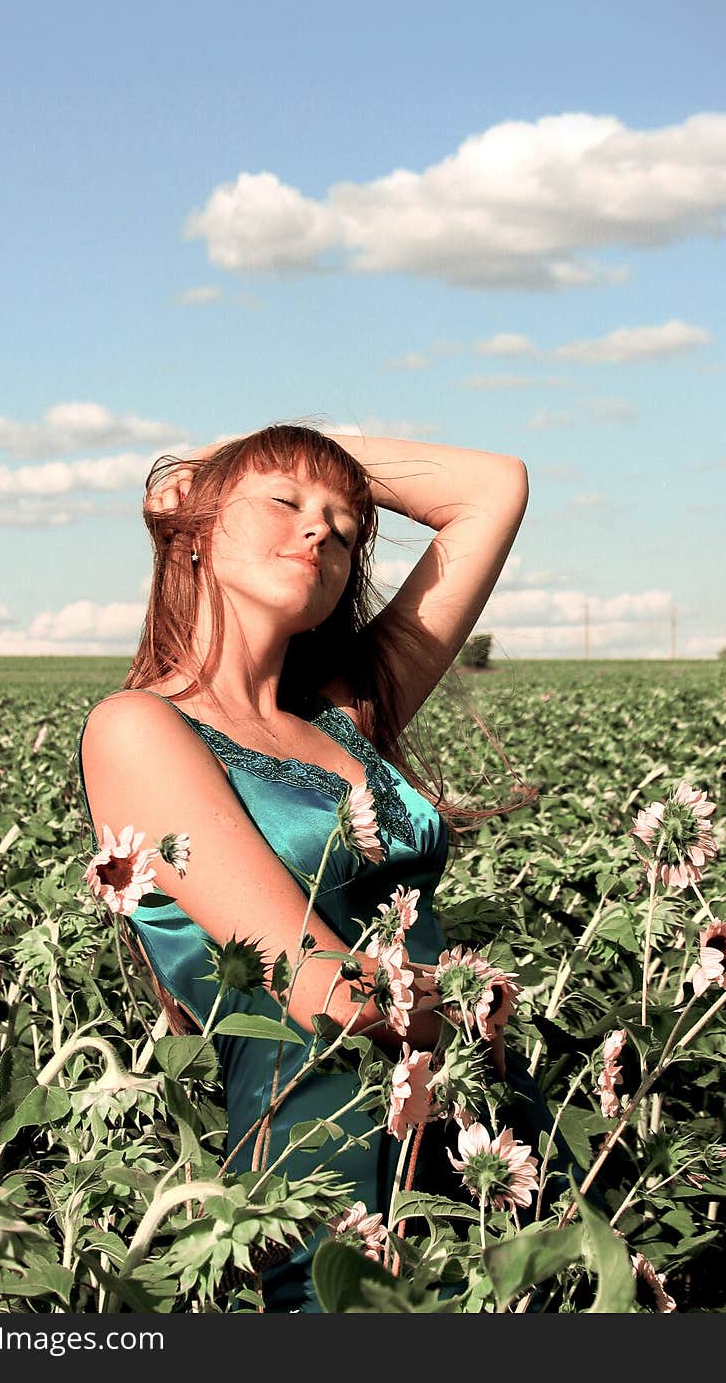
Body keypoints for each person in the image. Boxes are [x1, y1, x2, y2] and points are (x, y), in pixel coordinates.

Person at [76, 423, 533, 1312]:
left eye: (347, 524)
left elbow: (493, 489)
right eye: (284, 504)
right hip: (323, 1159)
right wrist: (471, 995)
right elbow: (323, 989)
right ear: (197, 532)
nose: (321, 530)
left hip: (475, 1126)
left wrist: (287, 453)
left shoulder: (344, 714)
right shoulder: (136, 728)